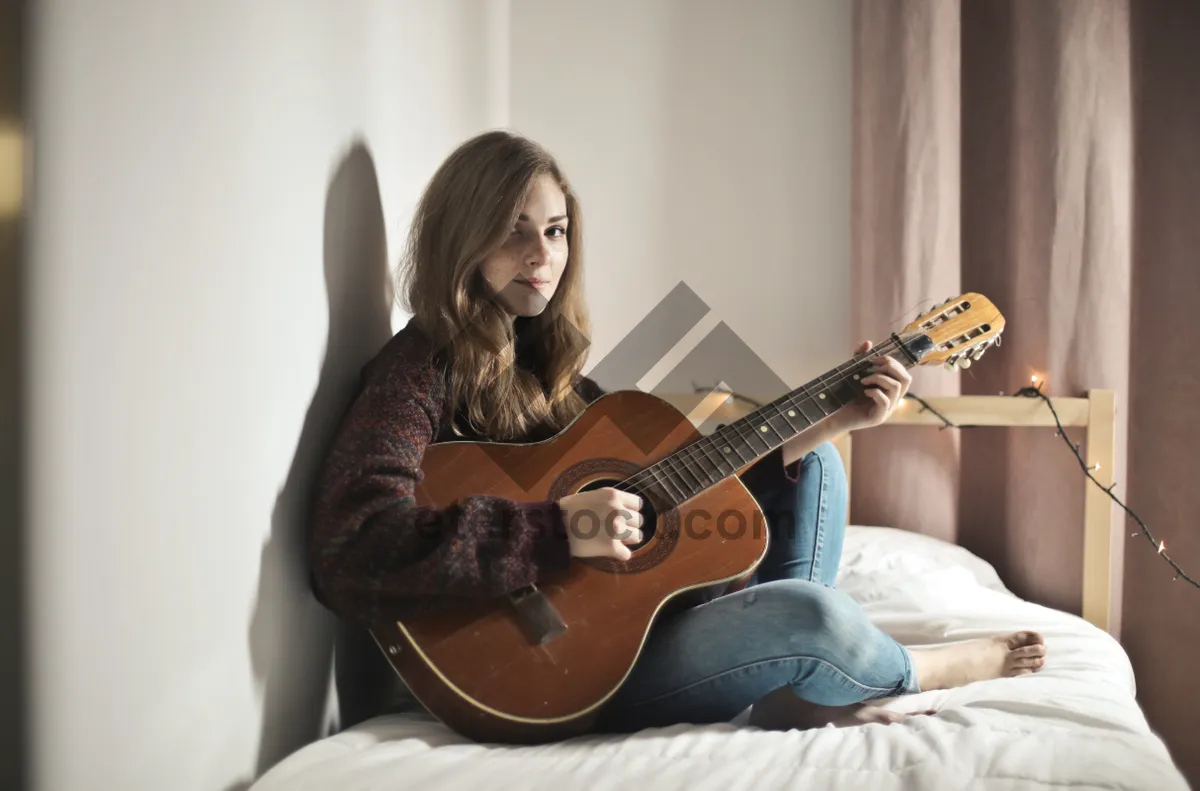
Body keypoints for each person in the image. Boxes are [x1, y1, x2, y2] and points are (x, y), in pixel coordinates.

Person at [308, 130, 1046, 734]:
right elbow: (352, 545)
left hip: (635, 629)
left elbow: (672, 493)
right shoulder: (416, 368)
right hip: (558, 670)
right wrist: (552, 530)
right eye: (513, 230)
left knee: (817, 464)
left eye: (556, 231)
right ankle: (902, 667)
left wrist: (837, 415)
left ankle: (796, 678)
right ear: (460, 237)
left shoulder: (556, 375)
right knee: (812, 610)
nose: (543, 256)